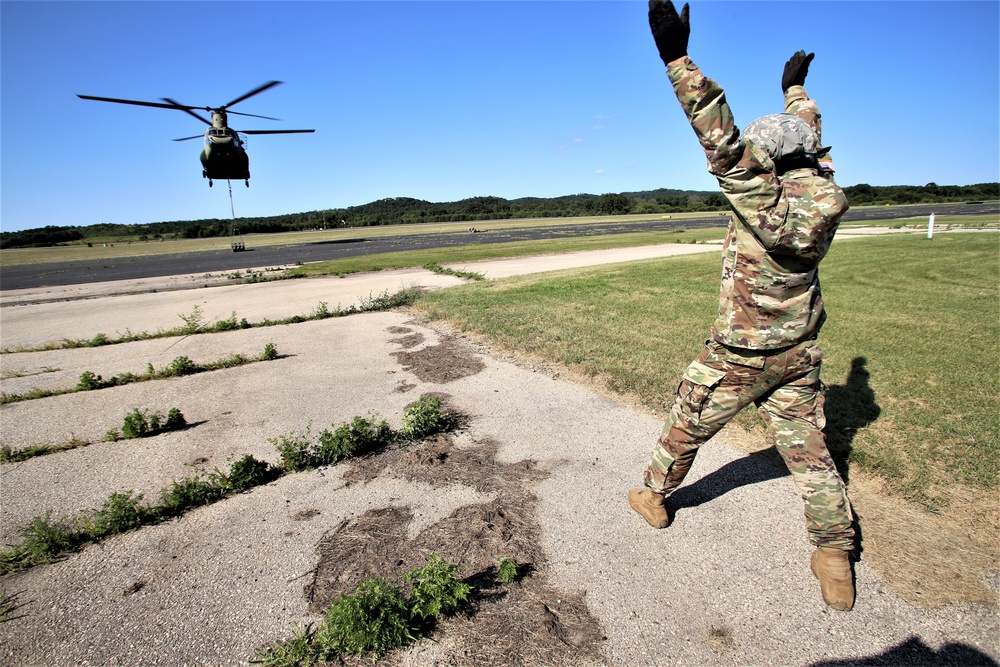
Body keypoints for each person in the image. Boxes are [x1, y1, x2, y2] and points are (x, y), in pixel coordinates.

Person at [628, 0, 856, 611]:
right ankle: (834, 553)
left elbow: (719, 135)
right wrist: (796, 91)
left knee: (687, 421)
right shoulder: (826, 188)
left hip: (739, 352)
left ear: (767, 164)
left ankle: (652, 495)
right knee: (810, 456)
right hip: (799, 352)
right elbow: (805, 138)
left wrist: (677, 58)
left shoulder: (764, 200)